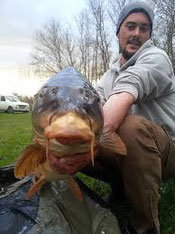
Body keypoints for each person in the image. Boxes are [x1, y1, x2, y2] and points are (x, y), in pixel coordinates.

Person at [49, 1, 175, 233]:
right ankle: (122, 191)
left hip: (166, 152)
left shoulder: (156, 58)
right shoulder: (108, 76)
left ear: (149, 35)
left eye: (144, 28)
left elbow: (128, 89)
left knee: (128, 127)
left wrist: (88, 142)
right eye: (131, 26)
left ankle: (145, 227)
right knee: (72, 138)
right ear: (118, 31)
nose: (137, 33)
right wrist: (64, 140)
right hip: (132, 153)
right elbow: (91, 106)